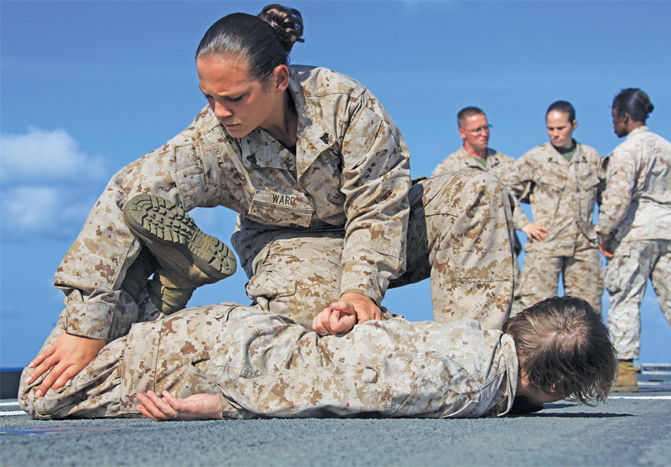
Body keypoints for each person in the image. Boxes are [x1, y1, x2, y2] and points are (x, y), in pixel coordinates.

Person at [24, 5, 516, 399]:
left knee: (476, 191)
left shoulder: (345, 105)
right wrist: (85, 327)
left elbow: (379, 203)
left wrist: (362, 289)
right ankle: (418, 366)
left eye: (234, 97)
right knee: (323, 332)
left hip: (382, 236)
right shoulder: (210, 141)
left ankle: (475, 362)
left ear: (279, 79)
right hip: (291, 250)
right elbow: (125, 193)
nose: (220, 111)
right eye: (209, 96)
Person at [19, 296, 617, 420]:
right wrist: (223, 410)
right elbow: (338, 383)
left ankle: (155, 302)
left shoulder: (477, 338)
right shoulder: (475, 383)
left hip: (242, 337)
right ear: (559, 386)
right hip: (221, 360)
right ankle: (151, 292)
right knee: (39, 396)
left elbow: (385, 344)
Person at [597, 88, 671, 392]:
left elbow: (616, 200)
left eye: (614, 116)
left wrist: (603, 235)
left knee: (624, 299)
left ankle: (624, 371)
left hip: (635, 234)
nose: (613, 122)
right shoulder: (668, 148)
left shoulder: (627, 151)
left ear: (625, 116)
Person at [433, 107, 548, 313]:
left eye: (486, 128)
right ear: (463, 133)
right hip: (470, 258)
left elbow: (516, 198)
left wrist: (525, 225)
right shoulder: (448, 169)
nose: (484, 133)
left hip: (505, 253)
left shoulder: (506, 163)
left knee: (518, 311)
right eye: (477, 130)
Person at [506, 101, 604, 312]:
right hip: (545, 246)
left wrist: (602, 231)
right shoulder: (535, 158)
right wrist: (524, 224)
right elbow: (505, 190)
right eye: (550, 128)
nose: (555, 133)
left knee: (587, 315)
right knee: (537, 313)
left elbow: (608, 197)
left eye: (561, 128)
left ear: (574, 124)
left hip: (583, 248)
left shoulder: (592, 158)